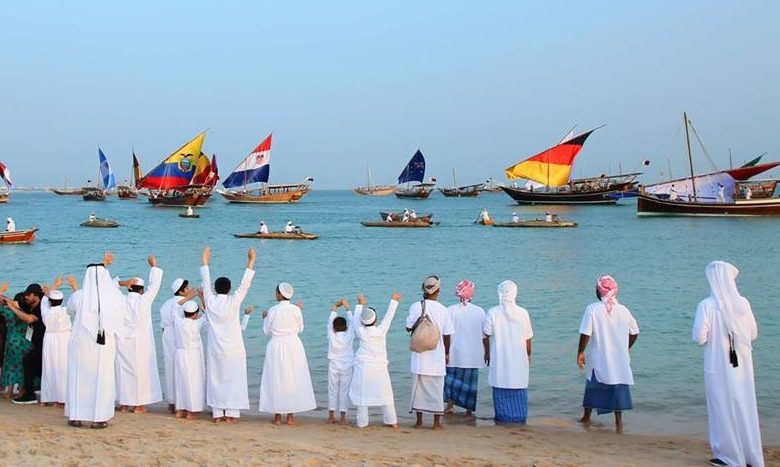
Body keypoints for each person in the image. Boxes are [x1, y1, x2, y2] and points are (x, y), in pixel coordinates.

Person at [693, 261, 765, 467]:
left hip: (718, 364)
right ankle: (751, 455)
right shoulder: (743, 304)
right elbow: (753, 333)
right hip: (742, 363)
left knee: (721, 407)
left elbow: (699, 337)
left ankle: (729, 456)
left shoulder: (706, 305)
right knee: (745, 406)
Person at [65, 252, 126, 428]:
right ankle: (98, 418)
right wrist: (105, 266)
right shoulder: (114, 296)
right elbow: (119, 308)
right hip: (103, 344)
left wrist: (103, 265)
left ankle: (76, 416)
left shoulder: (79, 296)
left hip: (80, 344)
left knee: (79, 379)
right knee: (102, 378)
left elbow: (70, 310)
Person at [200, 246, 256, 424]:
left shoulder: (210, 300)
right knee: (234, 378)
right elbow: (245, 285)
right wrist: (250, 261)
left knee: (216, 378)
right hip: (234, 348)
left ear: (216, 289)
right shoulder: (234, 301)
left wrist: (205, 260)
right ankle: (232, 414)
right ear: (229, 288)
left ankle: (218, 414)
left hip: (215, 347)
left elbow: (205, 281)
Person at [576, 275, 639, 431]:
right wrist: (626, 347)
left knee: (593, 386)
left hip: (600, 356)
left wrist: (580, 352)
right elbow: (635, 332)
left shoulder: (592, 309)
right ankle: (618, 422)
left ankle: (586, 417)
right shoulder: (623, 310)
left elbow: (586, 333)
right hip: (619, 357)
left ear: (598, 291)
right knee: (618, 386)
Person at [259, 282, 316, 426]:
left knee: (276, 378)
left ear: (280, 294)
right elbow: (300, 328)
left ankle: (277, 416)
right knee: (292, 378)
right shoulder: (296, 310)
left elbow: (266, 331)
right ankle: (290, 416)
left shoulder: (273, 310)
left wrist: (265, 317)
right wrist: (299, 310)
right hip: (293, 345)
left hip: (276, 345)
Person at [115, 256, 163, 414]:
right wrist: (153, 266)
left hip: (123, 341)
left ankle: (123, 404)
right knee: (140, 372)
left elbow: (108, 286)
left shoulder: (120, 300)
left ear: (129, 288)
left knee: (123, 371)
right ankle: (138, 405)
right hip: (141, 341)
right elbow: (155, 285)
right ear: (141, 290)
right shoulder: (144, 300)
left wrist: (122, 282)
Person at [405, 276, 454, 430]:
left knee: (418, 388)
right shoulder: (444, 310)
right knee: (436, 390)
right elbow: (447, 334)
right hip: (436, 357)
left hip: (420, 355)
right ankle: (436, 423)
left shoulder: (415, 306)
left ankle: (419, 422)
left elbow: (408, 327)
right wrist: (446, 354)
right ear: (438, 290)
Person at [483, 280, 533, 424]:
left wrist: (486, 352)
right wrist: (528, 354)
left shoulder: (493, 312)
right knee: (518, 386)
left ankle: (502, 419)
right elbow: (528, 337)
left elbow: (485, 334)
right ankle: (519, 419)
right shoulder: (523, 313)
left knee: (500, 386)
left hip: (500, 359)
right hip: (519, 358)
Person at [350, 292, 401, 428]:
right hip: (379, 367)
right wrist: (394, 301)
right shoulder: (380, 331)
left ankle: (362, 422)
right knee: (385, 394)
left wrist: (360, 304)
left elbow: (355, 320)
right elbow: (389, 317)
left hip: (364, 367)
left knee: (362, 396)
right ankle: (392, 421)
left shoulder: (361, 332)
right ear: (376, 320)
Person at [444, 280, 486, 418]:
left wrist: (445, 352)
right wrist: (488, 352)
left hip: (454, 352)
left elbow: (446, 334)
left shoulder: (450, 310)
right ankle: (468, 410)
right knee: (469, 384)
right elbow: (485, 336)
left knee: (451, 380)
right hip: (473, 355)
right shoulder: (479, 311)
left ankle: (450, 405)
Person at [8, 283, 45, 405]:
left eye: (28, 295)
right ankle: (39, 390)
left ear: (35, 296)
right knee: (37, 366)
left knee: (29, 361)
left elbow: (29, 319)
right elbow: (14, 303)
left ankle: (30, 394)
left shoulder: (41, 307)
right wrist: (4, 299)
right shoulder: (29, 303)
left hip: (44, 342)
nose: (26, 298)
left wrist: (12, 309)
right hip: (37, 343)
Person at [159, 277, 191, 414]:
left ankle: (171, 403)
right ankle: (182, 402)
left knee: (170, 367)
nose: (189, 290)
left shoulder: (165, 304)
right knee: (182, 368)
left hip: (166, 335)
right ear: (182, 291)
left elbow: (162, 324)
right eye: (187, 288)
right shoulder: (183, 303)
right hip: (178, 336)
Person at [173, 300, 207, 419]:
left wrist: (188, 297)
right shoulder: (197, 323)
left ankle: (180, 409)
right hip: (193, 355)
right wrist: (202, 298)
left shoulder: (178, 321)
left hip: (180, 354)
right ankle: (191, 411)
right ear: (195, 314)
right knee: (193, 382)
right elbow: (208, 314)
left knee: (181, 381)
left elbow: (175, 308)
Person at [40, 284, 71, 407]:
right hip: (64, 338)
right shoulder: (66, 311)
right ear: (62, 301)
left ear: (50, 301)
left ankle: (48, 397)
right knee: (63, 366)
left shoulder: (46, 312)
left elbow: (43, 300)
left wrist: (53, 287)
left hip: (49, 339)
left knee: (49, 366)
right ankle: (61, 399)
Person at [0, 287, 32, 398]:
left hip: (11, 341)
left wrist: (2, 293)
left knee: (10, 365)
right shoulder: (27, 311)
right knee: (22, 366)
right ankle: (21, 390)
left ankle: (9, 391)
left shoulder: (8, 311)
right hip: (24, 342)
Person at [326, 298, 354, 425]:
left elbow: (329, 323)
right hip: (347, 365)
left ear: (333, 327)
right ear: (346, 327)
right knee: (344, 390)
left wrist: (336, 306)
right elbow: (353, 323)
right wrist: (347, 308)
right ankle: (343, 418)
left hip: (334, 365)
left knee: (332, 390)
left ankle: (331, 416)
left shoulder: (332, 334)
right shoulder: (350, 335)